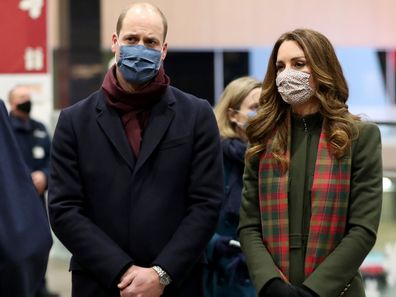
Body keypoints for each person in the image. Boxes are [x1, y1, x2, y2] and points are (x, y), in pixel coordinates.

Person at [48, 2, 224, 297]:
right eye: (131, 39)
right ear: (115, 42)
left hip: (175, 284)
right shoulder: (74, 121)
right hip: (99, 282)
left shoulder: (197, 115)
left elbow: (207, 203)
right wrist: (122, 270)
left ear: (164, 50)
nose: (140, 48)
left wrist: (162, 273)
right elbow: (64, 209)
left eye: (150, 42)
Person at [238, 28, 383, 297]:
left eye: (299, 64)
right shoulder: (262, 138)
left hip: (338, 290)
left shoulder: (359, 137)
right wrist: (270, 284)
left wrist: (313, 292)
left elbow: (362, 229)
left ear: (322, 68)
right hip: (274, 289)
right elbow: (249, 225)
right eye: (280, 66)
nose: (286, 74)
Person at [204, 77, 260, 297]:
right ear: (233, 115)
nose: (263, 113)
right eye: (255, 107)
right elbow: (185, 213)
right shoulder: (210, 157)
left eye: (268, 106)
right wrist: (215, 244)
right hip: (215, 276)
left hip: (257, 279)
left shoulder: (276, 160)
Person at [8, 85, 59, 297]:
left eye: (28, 97)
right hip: (14, 201)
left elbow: (53, 158)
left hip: (38, 199)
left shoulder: (39, 127)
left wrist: (45, 175)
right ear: (12, 102)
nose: (26, 100)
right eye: (21, 97)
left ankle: (40, 286)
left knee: (40, 241)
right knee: (17, 246)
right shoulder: (6, 130)